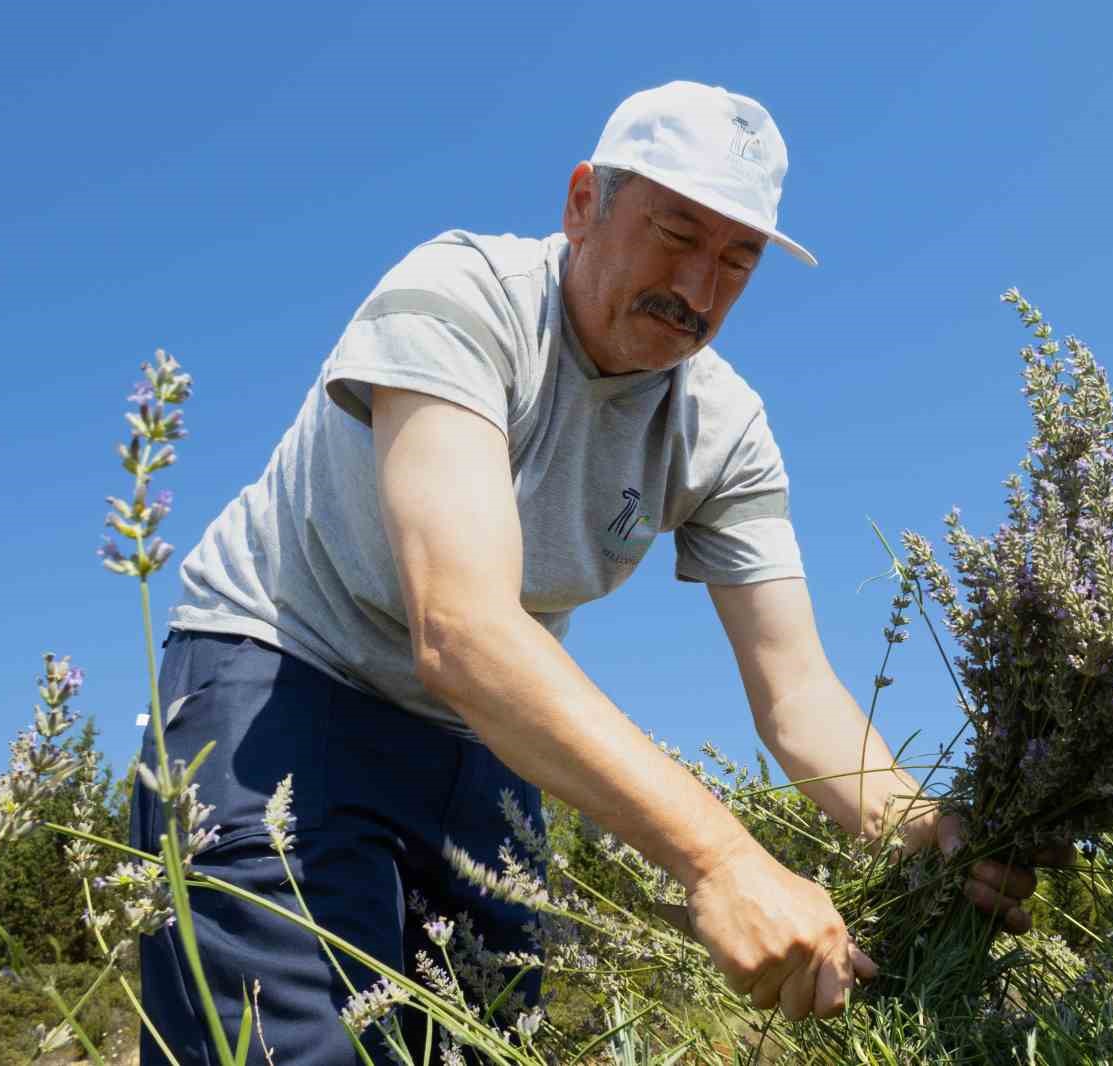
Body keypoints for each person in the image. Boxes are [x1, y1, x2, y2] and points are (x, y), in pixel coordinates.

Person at [131, 80, 1042, 1064]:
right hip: (284, 674)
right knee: (289, 1045)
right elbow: (463, 628)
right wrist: (722, 859)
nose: (697, 287)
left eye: (736, 261)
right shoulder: (456, 297)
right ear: (582, 204)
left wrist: (930, 835)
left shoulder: (725, 432)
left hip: (483, 740)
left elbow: (799, 697)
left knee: (490, 1043)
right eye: (673, 232)